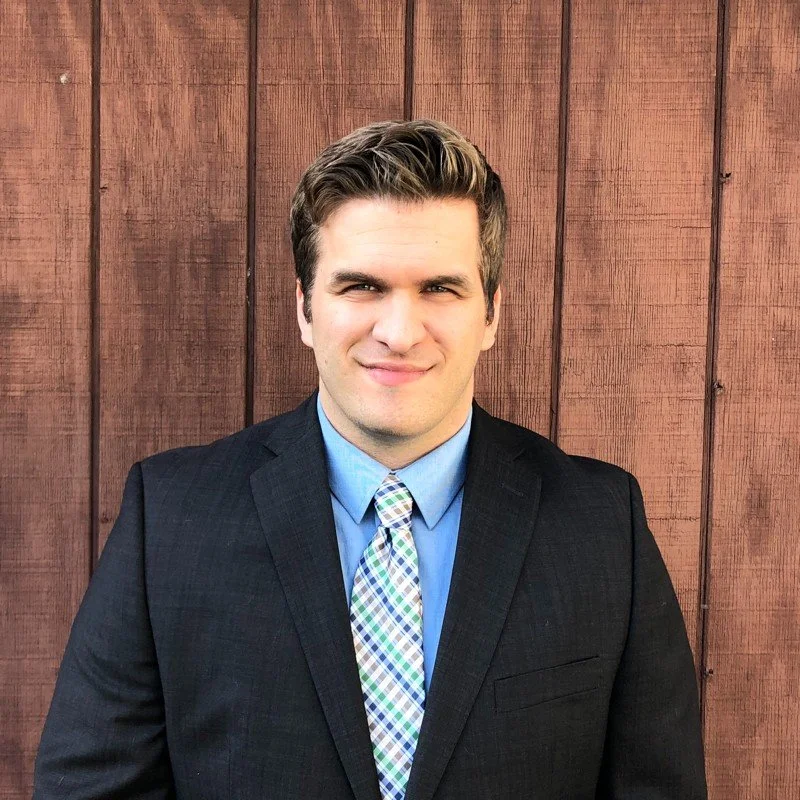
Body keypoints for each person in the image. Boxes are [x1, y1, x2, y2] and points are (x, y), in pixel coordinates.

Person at [33, 119, 708, 799]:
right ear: (303, 309)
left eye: (440, 289)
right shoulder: (171, 520)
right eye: (362, 287)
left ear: (492, 313)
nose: (398, 331)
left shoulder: (600, 529)